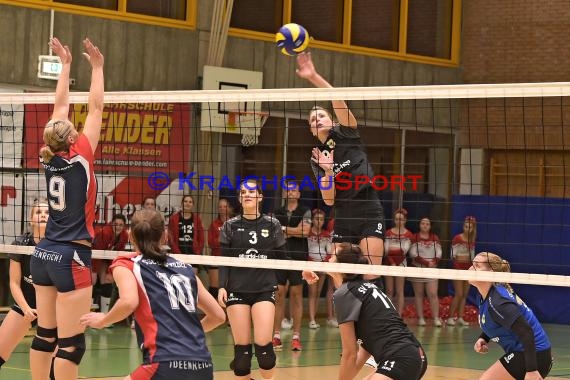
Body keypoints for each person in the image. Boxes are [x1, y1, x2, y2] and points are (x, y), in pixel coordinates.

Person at [30, 37, 103, 380]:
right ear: (73, 139)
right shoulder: (82, 157)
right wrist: (98, 68)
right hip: (71, 255)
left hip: (43, 253)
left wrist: (66, 66)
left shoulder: (48, 157)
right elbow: (97, 108)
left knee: (46, 336)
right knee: (72, 344)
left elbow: (60, 108)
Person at [80, 209, 225, 380]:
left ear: (129, 236)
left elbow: (128, 302)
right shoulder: (185, 269)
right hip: (203, 365)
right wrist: (184, 333)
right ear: (164, 236)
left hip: (163, 362)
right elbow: (218, 316)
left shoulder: (127, 264)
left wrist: (102, 320)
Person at [297, 52, 385, 282]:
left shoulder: (347, 132)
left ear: (333, 121)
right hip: (344, 212)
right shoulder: (317, 158)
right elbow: (328, 199)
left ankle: (371, 315)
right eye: (312, 120)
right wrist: (327, 171)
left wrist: (313, 76)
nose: (317, 120)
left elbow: (335, 97)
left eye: (321, 115)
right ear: (312, 131)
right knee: (338, 273)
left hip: (368, 207)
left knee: (370, 273)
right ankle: (345, 317)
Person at [326, 242, 427, 380]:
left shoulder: (344, 294)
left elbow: (350, 353)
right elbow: (365, 349)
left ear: (342, 266)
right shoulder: (364, 287)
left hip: (400, 358)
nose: (328, 259)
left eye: (332, 256)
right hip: (414, 355)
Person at [217, 179, 287, 380]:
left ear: (260, 196)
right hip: (237, 291)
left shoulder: (272, 224)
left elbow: (284, 259)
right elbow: (224, 261)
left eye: (251, 191)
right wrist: (222, 287)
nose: (246, 195)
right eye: (242, 192)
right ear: (239, 198)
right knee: (242, 357)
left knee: (264, 353)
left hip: (264, 290)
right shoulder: (229, 226)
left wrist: (303, 271)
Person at [470, 252, 552, 380]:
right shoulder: (485, 295)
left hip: (533, 356)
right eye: (472, 264)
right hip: (529, 354)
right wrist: (484, 338)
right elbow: (497, 320)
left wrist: (532, 371)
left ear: (491, 273)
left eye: (477, 266)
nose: (470, 269)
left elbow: (526, 332)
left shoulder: (498, 301)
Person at [0, 200, 49, 370]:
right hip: (25, 303)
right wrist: (26, 308)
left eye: (47, 212)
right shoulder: (20, 244)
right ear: (30, 219)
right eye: (38, 212)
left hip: (51, 307)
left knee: (56, 361)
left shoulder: (58, 246)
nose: (43, 215)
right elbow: (14, 282)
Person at [272, 183, 311, 351]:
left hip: (298, 257)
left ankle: (296, 336)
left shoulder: (305, 211)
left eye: (294, 189)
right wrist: (294, 229)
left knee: (296, 295)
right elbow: (274, 234)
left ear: (299, 193)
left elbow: (305, 232)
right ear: (284, 193)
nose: (291, 192)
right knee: (279, 294)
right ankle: (276, 335)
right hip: (280, 257)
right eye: (288, 189)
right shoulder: (277, 212)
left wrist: (285, 229)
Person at [408, 217, 443, 327]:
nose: (425, 225)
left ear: (430, 226)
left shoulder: (434, 238)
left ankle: (436, 318)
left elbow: (439, 253)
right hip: (417, 269)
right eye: (422, 223)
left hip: (432, 271)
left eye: (427, 224)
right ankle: (421, 318)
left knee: (433, 294)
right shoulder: (415, 237)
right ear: (419, 225)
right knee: (419, 295)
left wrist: (433, 262)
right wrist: (427, 263)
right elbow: (413, 253)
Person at [92, 213, 128, 315]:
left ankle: (104, 313)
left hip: (107, 259)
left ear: (124, 226)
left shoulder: (124, 235)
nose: (118, 227)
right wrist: (94, 271)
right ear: (112, 224)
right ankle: (89, 310)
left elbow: (117, 255)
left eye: (121, 225)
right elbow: (96, 253)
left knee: (108, 279)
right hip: (94, 256)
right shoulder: (105, 233)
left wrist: (110, 271)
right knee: (92, 280)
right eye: (116, 224)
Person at [306, 208, 337, 328]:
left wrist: (325, 262)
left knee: (318, 292)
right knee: (312, 292)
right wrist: (310, 262)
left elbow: (329, 251)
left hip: (323, 264)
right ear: (313, 220)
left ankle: (314, 318)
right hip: (311, 264)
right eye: (317, 219)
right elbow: (305, 250)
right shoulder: (308, 233)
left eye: (322, 219)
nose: (319, 221)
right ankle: (312, 320)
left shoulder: (326, 234)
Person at [383, 208, 413, 316]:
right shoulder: (388, 233)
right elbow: (386, 250)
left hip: (401, 264)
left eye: (401, 219)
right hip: (389, 263)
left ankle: (399, 316)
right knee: (389, 291)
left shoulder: (408, 234)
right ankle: (388, 315)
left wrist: (394, 256)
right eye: (396, 219)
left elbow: (404, 250)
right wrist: (391, 261)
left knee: (400, 291)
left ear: (405, 220)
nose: (398, 221)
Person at [448, 215, 477, 326]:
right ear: (463, 226)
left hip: (467, 270)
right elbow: (453, 256)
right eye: (465, 226)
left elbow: (471, 258)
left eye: (469, 227)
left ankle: (460, 317)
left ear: (472, 229)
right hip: (458, 270)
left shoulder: (472, 241)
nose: (467, 229)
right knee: (459, 294)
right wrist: (459, 267)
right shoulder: (457, 239)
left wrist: (470, 267)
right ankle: (450, 317)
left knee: (464, 294)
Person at [207, 198, 234, 298]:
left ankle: (228, 313)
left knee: (229, 289)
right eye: (220, 207)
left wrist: (221, 240)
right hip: (216, 258)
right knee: (214, 289)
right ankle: (214, 312)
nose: (222, 209)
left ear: (229, 208)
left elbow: (236, 243)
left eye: (225, 206)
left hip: (230, 259)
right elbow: (211, 243)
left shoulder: (234, 223)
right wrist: (225, 240)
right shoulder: (214, 224)